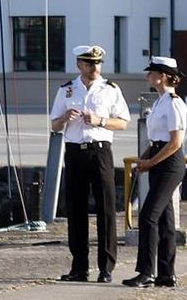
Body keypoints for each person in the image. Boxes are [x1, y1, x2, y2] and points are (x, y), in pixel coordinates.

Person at [50, 44, 131, 282]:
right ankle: (79, 267)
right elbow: (54, 125)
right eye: (89, 63)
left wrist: (100, 120)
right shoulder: (67, 90)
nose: (94, 67)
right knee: (76, 209)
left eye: (97, 63)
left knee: (106, 208)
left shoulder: (110, 89)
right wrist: (64, 118)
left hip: (100, 151)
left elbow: (123, 122)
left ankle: (106, 268)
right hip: (75, 151)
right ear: (79, 65)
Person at [127, 55, 187, 289]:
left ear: (162, 76)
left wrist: (151, 162)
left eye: (151, 72)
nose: (148, 76)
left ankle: (146, 272)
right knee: (164, 219)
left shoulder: (173, 103)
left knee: (148, 216)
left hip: (169, 163)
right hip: (159, 159)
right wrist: (145, 159)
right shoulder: (161, 101)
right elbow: (156, 140)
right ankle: (166, 273)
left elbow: (175, 142)